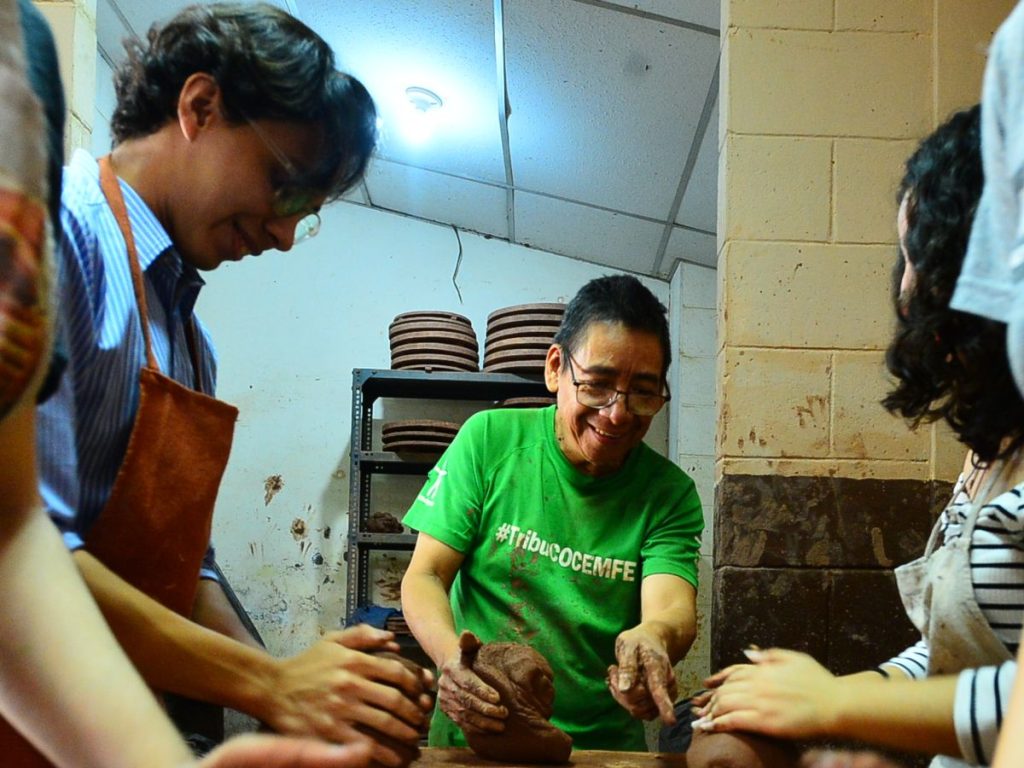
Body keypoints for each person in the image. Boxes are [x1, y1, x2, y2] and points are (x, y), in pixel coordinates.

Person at [29, 4, 431, 767]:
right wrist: (272, 686)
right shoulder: (57, 236)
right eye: (284, 187)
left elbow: (186, 573)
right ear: (200, 107)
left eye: (303, 216)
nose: (283, 236)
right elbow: (27, 553)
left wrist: (299, 691)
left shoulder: (190, 338)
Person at [696, 105, 1023, 768]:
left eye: (919, 260)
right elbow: (958, 653)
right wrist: (846, 703)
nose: (905, 291)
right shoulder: (994, 449)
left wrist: (832, 706)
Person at [400, 274, 704, 752]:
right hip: (478, 737)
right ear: (556, 368)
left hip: (601, 751)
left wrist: (653, 637)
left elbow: (672, 609)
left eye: (643, 392)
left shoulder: (668, 494)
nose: (617, 414)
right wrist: (451, 663)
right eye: (598, 385)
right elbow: (425, 577)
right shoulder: (488, 441)